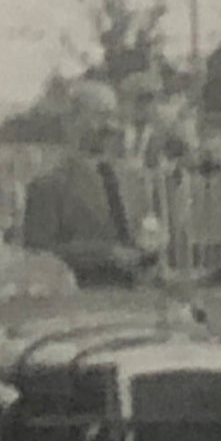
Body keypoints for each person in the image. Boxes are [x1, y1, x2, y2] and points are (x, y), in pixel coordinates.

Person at [22, 80, 165, 288]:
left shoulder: (132, 180)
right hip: (80, 297)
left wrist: (152, 243)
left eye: (113, 117)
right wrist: (104, 255)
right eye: (100, 116)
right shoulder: (48, 186)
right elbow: (38, 255)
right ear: (71, 121)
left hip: (133, 297)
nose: (110, 126)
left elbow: (146, 232)